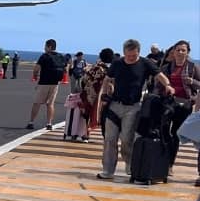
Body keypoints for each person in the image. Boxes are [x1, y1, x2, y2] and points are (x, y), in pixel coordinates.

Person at [94, 39, 174, 180]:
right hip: (115, 105)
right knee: (110, 139)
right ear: (124, 52)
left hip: (133, 107)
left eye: (134, 56)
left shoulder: (145, 63)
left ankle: (130, 165)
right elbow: (107, 79)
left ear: (138, 52)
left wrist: (167, 85)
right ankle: (107, 170)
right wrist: (104, 95)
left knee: (127, 138)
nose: (130, 58)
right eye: (128, 55)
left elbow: (159, 75)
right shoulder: (117, 63)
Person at [159, 40, 200, 177]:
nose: (180, 52)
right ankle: (163, 159)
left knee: (176, 133)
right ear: (174, 52)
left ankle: (169, 164)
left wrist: (192, 81)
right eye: (178, 50)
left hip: (185, 104)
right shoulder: (167, 67)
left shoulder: (193, 67)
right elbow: (158, 83)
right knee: (164, 130)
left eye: (183, 50)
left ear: (187, 52)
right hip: (169, 102)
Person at [26, 39, 67, 130]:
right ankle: (49, 123)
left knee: (37, 103)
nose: (44, 48)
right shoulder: (61, 56)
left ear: (49, 47)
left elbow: (36, 69)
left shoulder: (44, 56)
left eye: (45, 46)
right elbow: (65, 70)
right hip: (55, 83)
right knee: (50, 104)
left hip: (44, 83)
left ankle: (31, 122)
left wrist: (35, 76)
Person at [82, 47, 114, 136]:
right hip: (106, 94)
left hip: (92, 92)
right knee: (105, 115)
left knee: (88, 112)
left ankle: (86, 134)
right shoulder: (112, 68)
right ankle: (105, 134)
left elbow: (85, 79)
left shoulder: (96, 67)